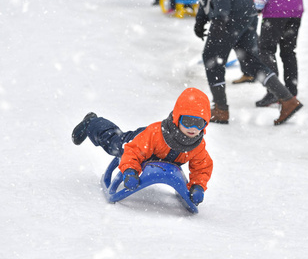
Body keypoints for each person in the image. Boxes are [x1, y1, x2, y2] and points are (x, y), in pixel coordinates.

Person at [71, 88, 213, 206]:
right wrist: (130, 170)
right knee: (114, 143)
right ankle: (92, 122)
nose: (193, 128)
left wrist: (198, 186)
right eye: (188, 121)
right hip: (142, 141)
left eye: (199, 123)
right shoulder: (155, 134)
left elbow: (202, 166)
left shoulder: (197, 145)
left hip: (161, 155)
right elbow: (133, 151)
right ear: (177, 118)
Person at [193, 0, 303, 125]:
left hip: (231, 14)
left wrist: (220, 18)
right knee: (250, 62)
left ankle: (220, 110)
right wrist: (200, 20)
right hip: (246, 11)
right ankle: (288, 100)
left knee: (212, 59)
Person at [235, 0, 306, 107]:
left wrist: (256, 8)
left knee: (266, 50)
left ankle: (274, 92)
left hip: (276, 11)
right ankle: (291, 91)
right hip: (295, 9)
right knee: (288, 52)